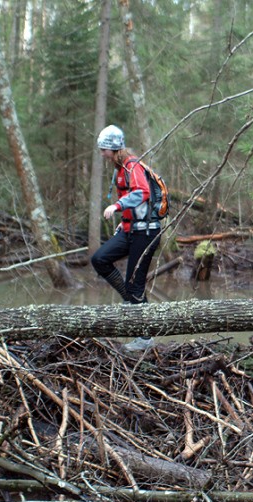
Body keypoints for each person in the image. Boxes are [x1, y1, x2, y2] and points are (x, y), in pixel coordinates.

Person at [91, 125, 161, 352]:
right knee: (100, 259)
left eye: (104, 150)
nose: (102, 154)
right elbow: (137, 202)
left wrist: (117, 206)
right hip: (131, 229)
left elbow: (143, 193)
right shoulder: (120, 168)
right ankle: (129, 301)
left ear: (113, 149)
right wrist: (125, 218)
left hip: (146, 233)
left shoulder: (131, 165)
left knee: (136, 284)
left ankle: (145, 337)